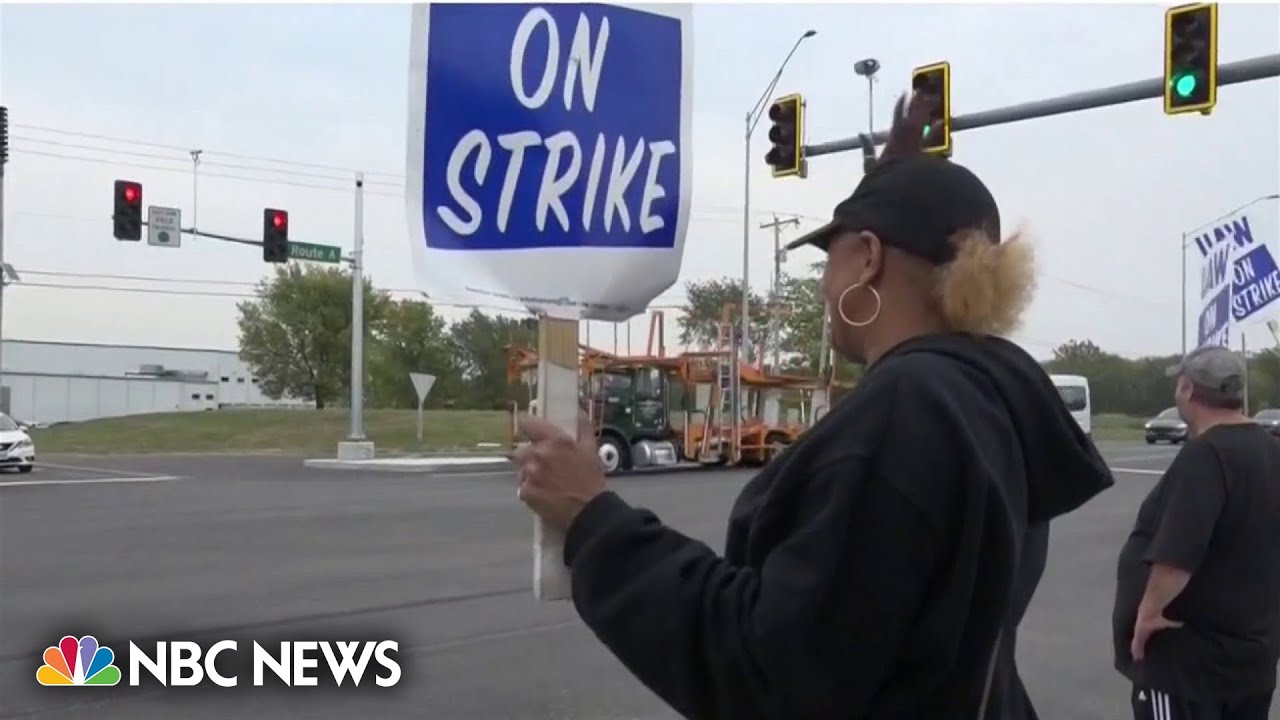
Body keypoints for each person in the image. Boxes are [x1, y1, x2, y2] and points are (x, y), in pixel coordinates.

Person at [512, 91, 1114, 719]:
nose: (826, 285)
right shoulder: (989, 403)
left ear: (869, 258)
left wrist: (594, 520)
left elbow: (771, 673)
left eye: (831, 257)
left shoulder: (907, 411)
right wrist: (890, 179)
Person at [1112, 345, 1280, 720]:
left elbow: (1178, 552)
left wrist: (1147, 614)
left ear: (1188, 389)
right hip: (1252, 661)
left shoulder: (1206, 454)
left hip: (1189, 666)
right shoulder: (1271, 450)